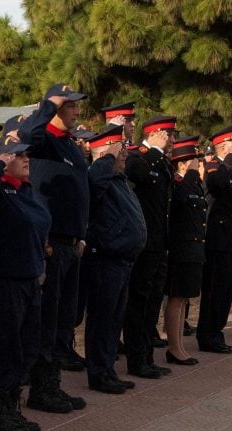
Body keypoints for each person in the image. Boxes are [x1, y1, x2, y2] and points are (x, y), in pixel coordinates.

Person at [18, 83, 89, 414]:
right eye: (70, 105)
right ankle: (41, 388)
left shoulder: (70, 145)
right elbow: (25, 133)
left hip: (70, 242)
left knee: (62, 319)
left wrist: (81, 234)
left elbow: (78, 192)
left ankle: (52, 384)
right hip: (49, 243)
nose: (76, 111)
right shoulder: (43, 139)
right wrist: (47, 105)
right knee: (46, 321)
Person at [0, 136, 51, 431]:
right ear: (3, 160)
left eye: (26, 154)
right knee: (4, 348)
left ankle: (11, 403)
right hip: (2, 281)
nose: (26, 159)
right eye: (17, 155)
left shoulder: (26, 191)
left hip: (29, 279)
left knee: (26, 346)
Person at [81, 125, 145, 394]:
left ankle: (108, 370)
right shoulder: (98, 175)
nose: (125, 156)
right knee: (102, 319)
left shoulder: (119, 180)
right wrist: (107, 157)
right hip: (105, 259)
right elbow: (93, 181)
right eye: (119, 153)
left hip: (122, 259)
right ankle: (99, 373)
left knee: (113, 320)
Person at [123, 115, 177, 379]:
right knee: (139, 302)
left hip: (159, 242)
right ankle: (136, 359)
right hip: (144, 243)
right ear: (156, 134)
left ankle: (146, 355)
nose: (173, 140)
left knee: (153, 301)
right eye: (169, 135)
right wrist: (154, 151)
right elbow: (138, 176)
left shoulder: (162, 162)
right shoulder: (139, 157)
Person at [196, 124, 232, 354]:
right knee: (215, 289)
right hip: (218, 239)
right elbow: (216, 185)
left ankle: (217, 332)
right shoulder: (214, 165)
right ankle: (208, 335)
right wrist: (230, 158)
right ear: (224, 145)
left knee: (226, 289)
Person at [164, 137, 207, 365]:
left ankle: (178, 344)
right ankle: (174, 347)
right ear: (181, 163)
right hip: (181, 249)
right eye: (192, 161)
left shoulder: (193, 184)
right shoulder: (179, 184)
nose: (197, 165)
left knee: (184, 299)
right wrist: (189, 176)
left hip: (193, 247)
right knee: (177, 298)